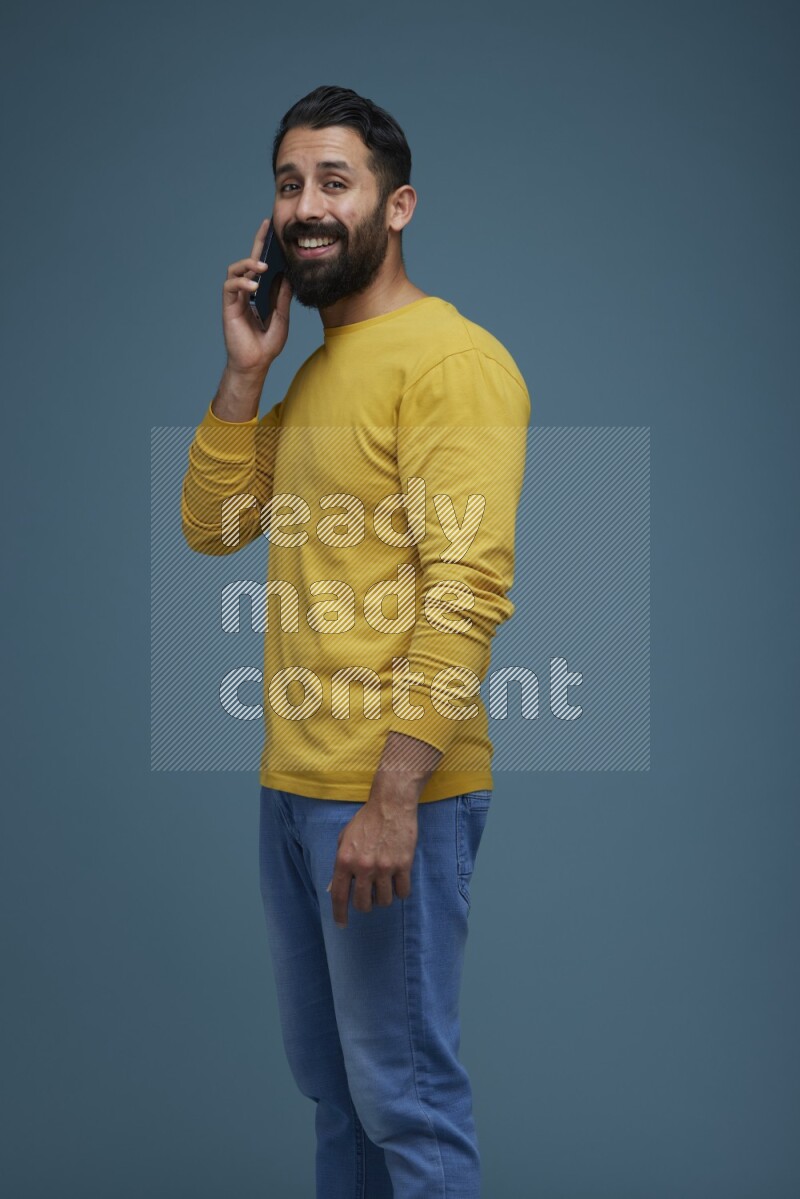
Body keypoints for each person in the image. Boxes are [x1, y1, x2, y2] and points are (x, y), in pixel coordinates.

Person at [180, 84, 530, 1199]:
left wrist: (391, 798)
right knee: (336, 1096)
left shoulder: (449, 361)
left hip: (391, 796)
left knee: (404, 1100)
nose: (305, 206)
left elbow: (465, 587)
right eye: (289, 184)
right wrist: (245, 373)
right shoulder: (317, 371)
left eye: (335, 180)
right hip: (294, 786)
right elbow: (213, 523)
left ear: (399, 204)